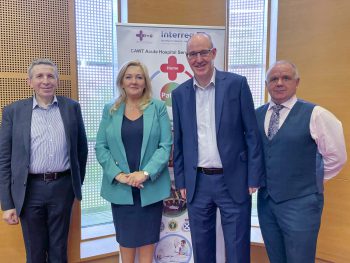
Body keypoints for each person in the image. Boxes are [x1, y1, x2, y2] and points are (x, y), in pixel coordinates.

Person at [171, 33, 265, 263]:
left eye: (204, 52)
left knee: (237, 245)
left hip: (233, 179)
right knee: (202, 248)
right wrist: (182, 181)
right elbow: (180, 141)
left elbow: (252, 133)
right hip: (198, 183)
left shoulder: (237, 84)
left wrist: (253, 176)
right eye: (193, 54)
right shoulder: (179, 94)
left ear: (213, 53)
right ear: (187, 58)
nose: (199, 59)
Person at [256, 60, 347, 263]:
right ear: (266, 84)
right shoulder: (257, 114)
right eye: (273, 79)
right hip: (266, 203)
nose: (279, 82)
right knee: (275, 257)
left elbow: (337, 157)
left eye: (286, 78)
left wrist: (310, 181)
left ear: (297, 82)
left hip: (302, 204)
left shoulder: (316, 114)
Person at [0, 58, 88, 263]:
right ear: (30, 82)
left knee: (59, 250)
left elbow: (81, 150)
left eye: (50, 76)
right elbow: (4, 159)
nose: (45, 80)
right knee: (35, 251)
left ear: (57, 80)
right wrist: (7, 204)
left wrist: (75, 185)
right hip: (29, 190)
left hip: (62, 188)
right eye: (39, 76)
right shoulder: (13, 112)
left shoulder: (71, 108)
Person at [95, 60, 172, 263]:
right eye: (129, 77)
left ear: (145, 82)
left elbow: (165, 146)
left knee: (147, 247)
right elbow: (101, 147)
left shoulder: (158, 108)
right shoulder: (109, 109)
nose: (134, 81)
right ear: (121, 81)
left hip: (150, 189)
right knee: (126, 244)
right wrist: (119, 176)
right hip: (121, 190)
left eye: (139, 77)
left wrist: (144, 173)